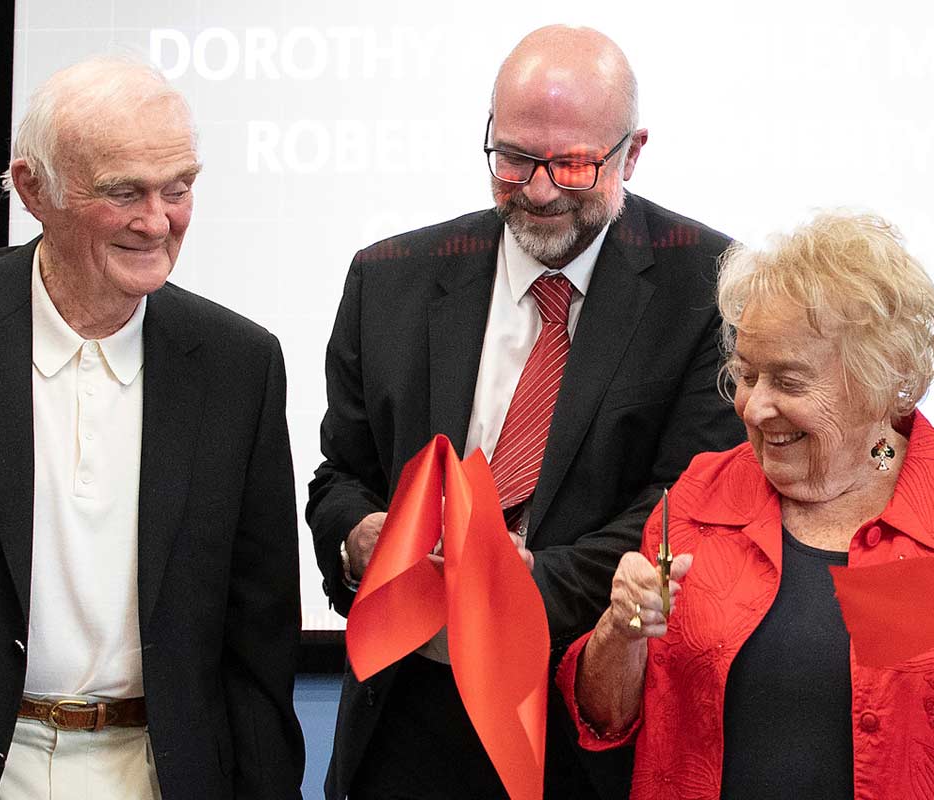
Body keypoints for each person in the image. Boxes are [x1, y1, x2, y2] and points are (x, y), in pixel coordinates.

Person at [0, 56, 304, 800]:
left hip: (159, 774)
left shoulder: (240, 365)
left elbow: (258, 641)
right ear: (32, 189)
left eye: (179, 188)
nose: (157, 221)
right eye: (124, 193)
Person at [307, 24, 745, 800]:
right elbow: (342, 473)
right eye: (513, 159)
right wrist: (356, 538)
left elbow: (686, 504)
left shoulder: (706, 288)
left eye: (573, 165)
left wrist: (527, 582)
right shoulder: (389, 280)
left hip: (587, 711)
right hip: (408, 714)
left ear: (631, 153)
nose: (538, 191)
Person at [559, 211, 934, 799]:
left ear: (878, 380)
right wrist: (619, 633)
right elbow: (607, 720)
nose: (753, 407)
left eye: (790, 382)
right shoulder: (699, 500)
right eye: (746, 375)